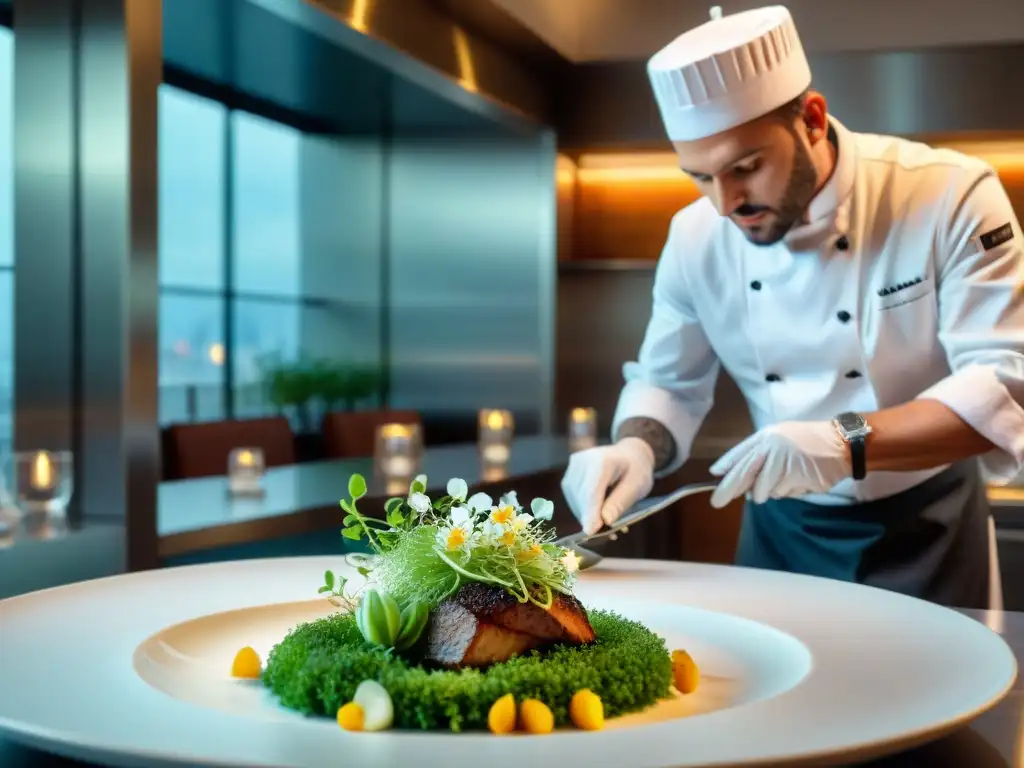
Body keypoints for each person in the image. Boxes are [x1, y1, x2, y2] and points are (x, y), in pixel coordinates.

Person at [560, 5, 1024, 610]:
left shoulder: (947, 195)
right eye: (699, 177)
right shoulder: (696, 236)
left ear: (811, 119)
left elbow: (1006, 384)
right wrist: (633, 449)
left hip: (928, 522)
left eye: (745, 168)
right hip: (781, 533)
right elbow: (668, 384)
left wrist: (843, 439)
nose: (725, 203)